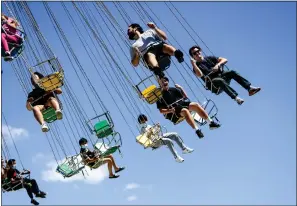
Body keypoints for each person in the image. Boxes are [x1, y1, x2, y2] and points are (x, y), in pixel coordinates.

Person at [189, 45, 261, 105]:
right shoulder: (196, 67)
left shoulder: (209, 58)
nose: (197, 53)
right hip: (214, 85)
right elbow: (200, 75)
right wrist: (193, 64)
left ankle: (249, 88)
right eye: (195, 53)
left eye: (198, 51)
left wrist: (218, 65)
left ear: (200, 51)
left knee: (232, 72)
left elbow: (224, 59)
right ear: (193, 56)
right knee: (219, 80)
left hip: (222, 77)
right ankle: (236, 98)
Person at [156, 77, 221, 138]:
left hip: (182, 104)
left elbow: (185, 97)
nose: (164, 82)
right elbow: (161, 110)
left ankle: (211, 123)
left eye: (165, 81)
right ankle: (197, 130)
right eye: (162, 82)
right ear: (160, 84)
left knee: (196, 105)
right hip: (174, 111)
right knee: (185, 111)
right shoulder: (160, 96)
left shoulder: (174, 89)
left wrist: (181, 88)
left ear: (168, 82)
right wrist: (170, 110)